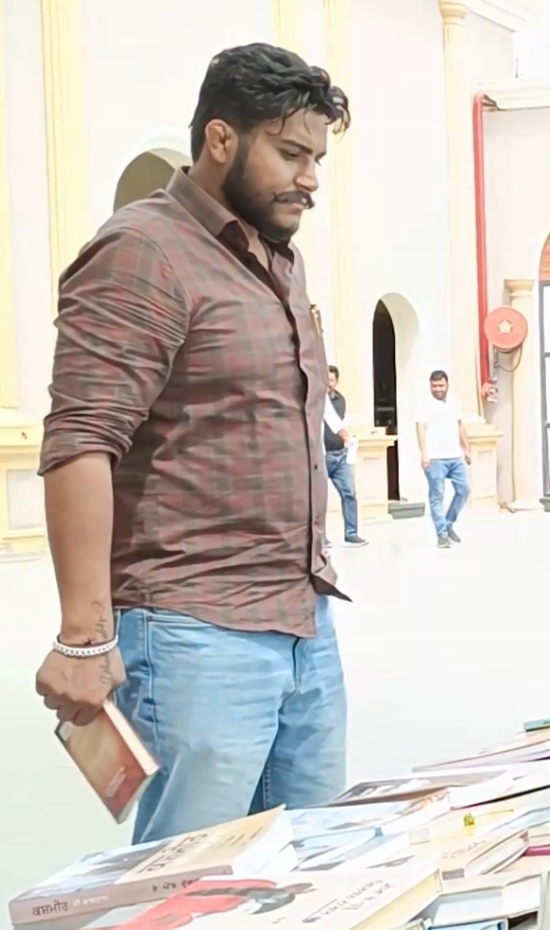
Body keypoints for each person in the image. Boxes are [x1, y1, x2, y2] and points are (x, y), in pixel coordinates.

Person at [32, 43, 352, 843]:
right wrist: (85, 634)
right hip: (192, 632)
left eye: (316, 157)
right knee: (190, 886)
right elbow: (81, 438)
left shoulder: (279, 260)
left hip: (303, 624)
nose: (310, 177)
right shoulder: (145, 251)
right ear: (219, 139)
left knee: (310, 870)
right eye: (290, 153)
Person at [415, 369, 471, 549]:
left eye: (441, 385)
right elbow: (420, 429)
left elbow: (459, 424)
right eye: (434, 386)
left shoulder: (454, 401)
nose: (438, 389)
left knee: (464, 489)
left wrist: (466, 447)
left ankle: (448, 522)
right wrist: (424, 453)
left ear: (447, 384)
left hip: (454, 454)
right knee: (437, 496)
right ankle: (441, 534)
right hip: (435, 457)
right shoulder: (425, 404)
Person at [324, 366, 366, 547]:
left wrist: (348, 439)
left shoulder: (340, 401)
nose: (328, 384)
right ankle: (320, 537)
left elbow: (336, 423)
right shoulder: (315, 399)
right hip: (321, 455)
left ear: (336, 381)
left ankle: (352, 533)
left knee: (349, 493)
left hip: (341, 455)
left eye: (331, 380)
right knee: (319, 498)